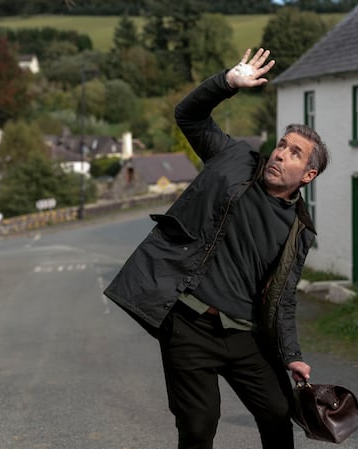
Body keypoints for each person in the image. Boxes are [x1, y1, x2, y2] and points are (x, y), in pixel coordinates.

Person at [104, 48, 329, 449]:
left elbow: (285, 298)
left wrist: (292, 354)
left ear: (308, 175)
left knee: (278, 414)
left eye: (295, 153)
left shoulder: (299, 230)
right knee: (199, 425)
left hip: (244, 336)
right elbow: (187, 116)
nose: (280, 153)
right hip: (189, 324)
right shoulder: (234, 158)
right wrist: (226, 82)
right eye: (282, 144)